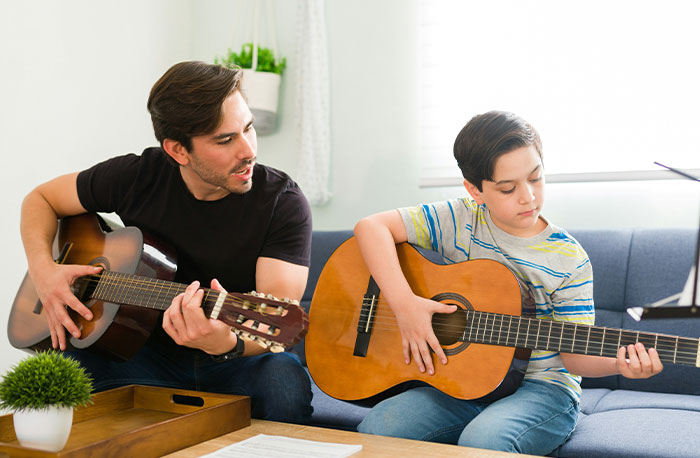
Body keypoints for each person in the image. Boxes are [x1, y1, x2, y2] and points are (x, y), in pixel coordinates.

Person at [19, 61, 313, 424]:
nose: (248, 150)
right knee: (60, 373)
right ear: (177, 151)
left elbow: (278, 324)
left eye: (248, 129)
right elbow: (40, 200)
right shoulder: (137, 176)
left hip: (235, 362)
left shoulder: (282, 203)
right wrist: (44, 269)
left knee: (284, 382)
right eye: (226, 139)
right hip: (142, 353)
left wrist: (227, 343)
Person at [352, 111, 663, 454]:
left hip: (543, 390)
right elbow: (371, 227)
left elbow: (575, 359)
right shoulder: (460, 219)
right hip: (463, 381)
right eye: (508, 188)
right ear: (475, 190)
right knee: (378, 429)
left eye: (535, 178)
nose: (528, 196)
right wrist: (405, 305)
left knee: (484, 442)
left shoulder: (568, 258)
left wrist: (623, 363)